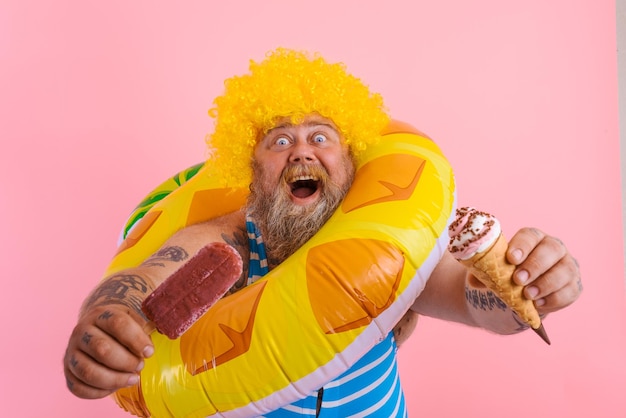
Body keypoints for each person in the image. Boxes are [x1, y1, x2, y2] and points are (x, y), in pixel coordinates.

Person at [63, 48, 582, 416]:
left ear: (349, 158)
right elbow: (151, 270)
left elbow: (475, 303)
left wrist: (529, 284)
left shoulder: (385, 244)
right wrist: (108, 317)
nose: (301, 151)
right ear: (251, 172)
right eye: (279, 139)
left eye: (320, 136)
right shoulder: (229, 242)